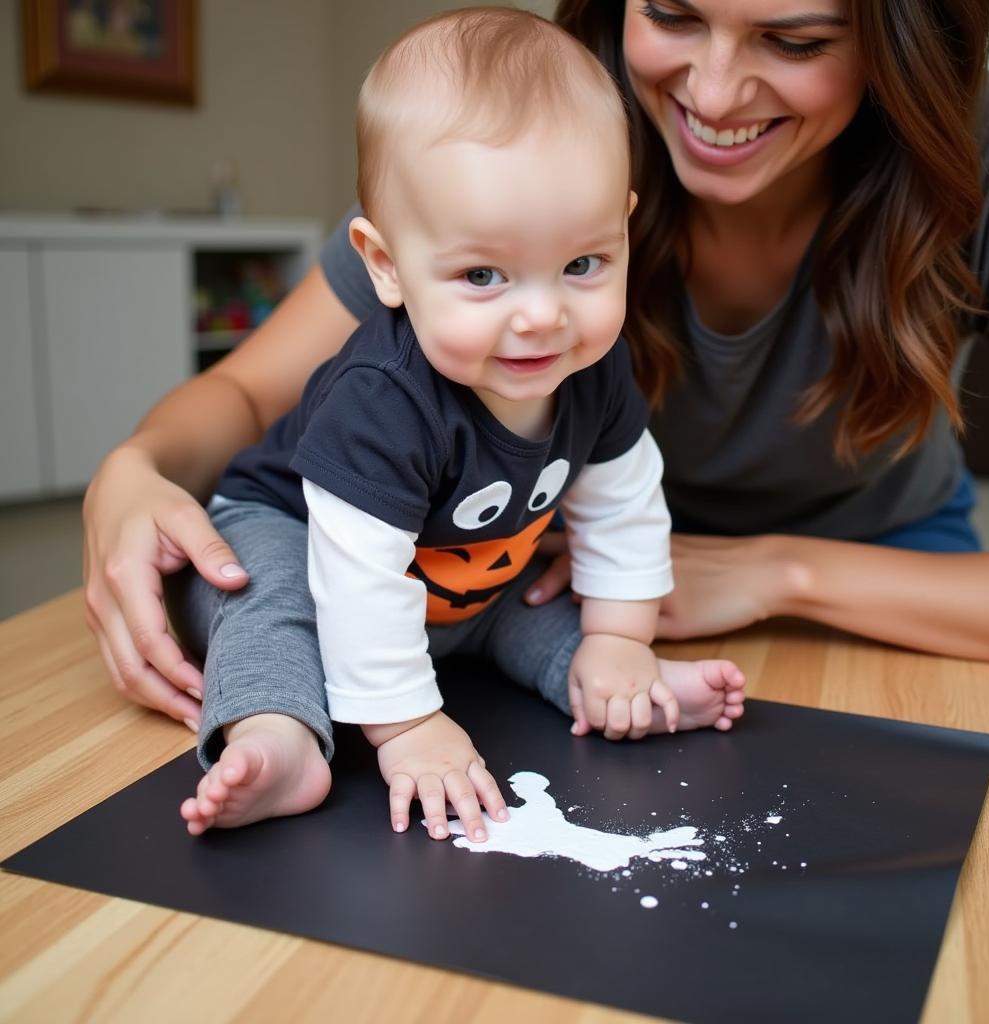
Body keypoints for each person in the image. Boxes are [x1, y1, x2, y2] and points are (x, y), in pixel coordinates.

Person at [83, 0, 989, 739]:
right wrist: (137, 466)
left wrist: (780, 575)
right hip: (567, 578)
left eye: (794, 39)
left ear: (897, 45)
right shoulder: (514, 135)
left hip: (890, 585)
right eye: (672, 14)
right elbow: (251, 393)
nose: (718, 91)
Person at [173, 8, 746, 838]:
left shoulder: (594, 366)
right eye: (484, 275)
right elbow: (362, 581)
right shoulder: (383, 400)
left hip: (454, 580)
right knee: (272, 606)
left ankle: (616, 687)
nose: (544, 316)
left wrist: (622, 634)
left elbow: (623, 500)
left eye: (583, 265)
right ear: (386, 266)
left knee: (532, 610)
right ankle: (279, 734)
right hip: (295, 535)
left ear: (623, 229)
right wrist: (408, 727)